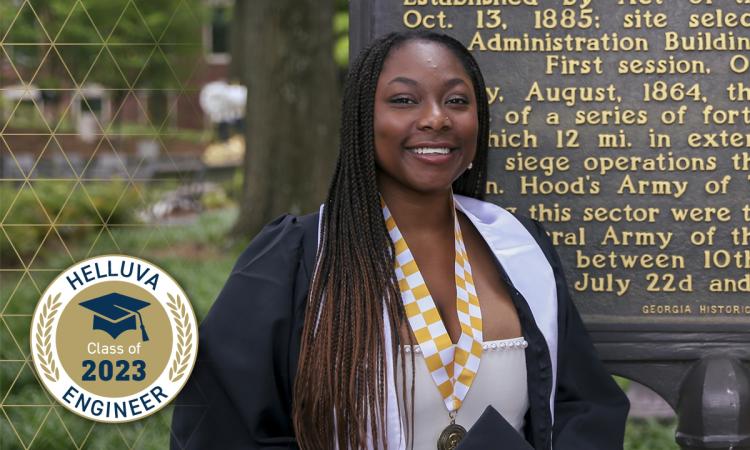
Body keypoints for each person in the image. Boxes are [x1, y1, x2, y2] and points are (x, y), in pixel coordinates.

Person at [170, 31, 629, 450]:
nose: (436, 119)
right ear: (361, 119)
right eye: (405, 100)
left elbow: (583, 405)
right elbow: (221, 427)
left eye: (456, 101)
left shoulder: (519, 249)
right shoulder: (294, 261)